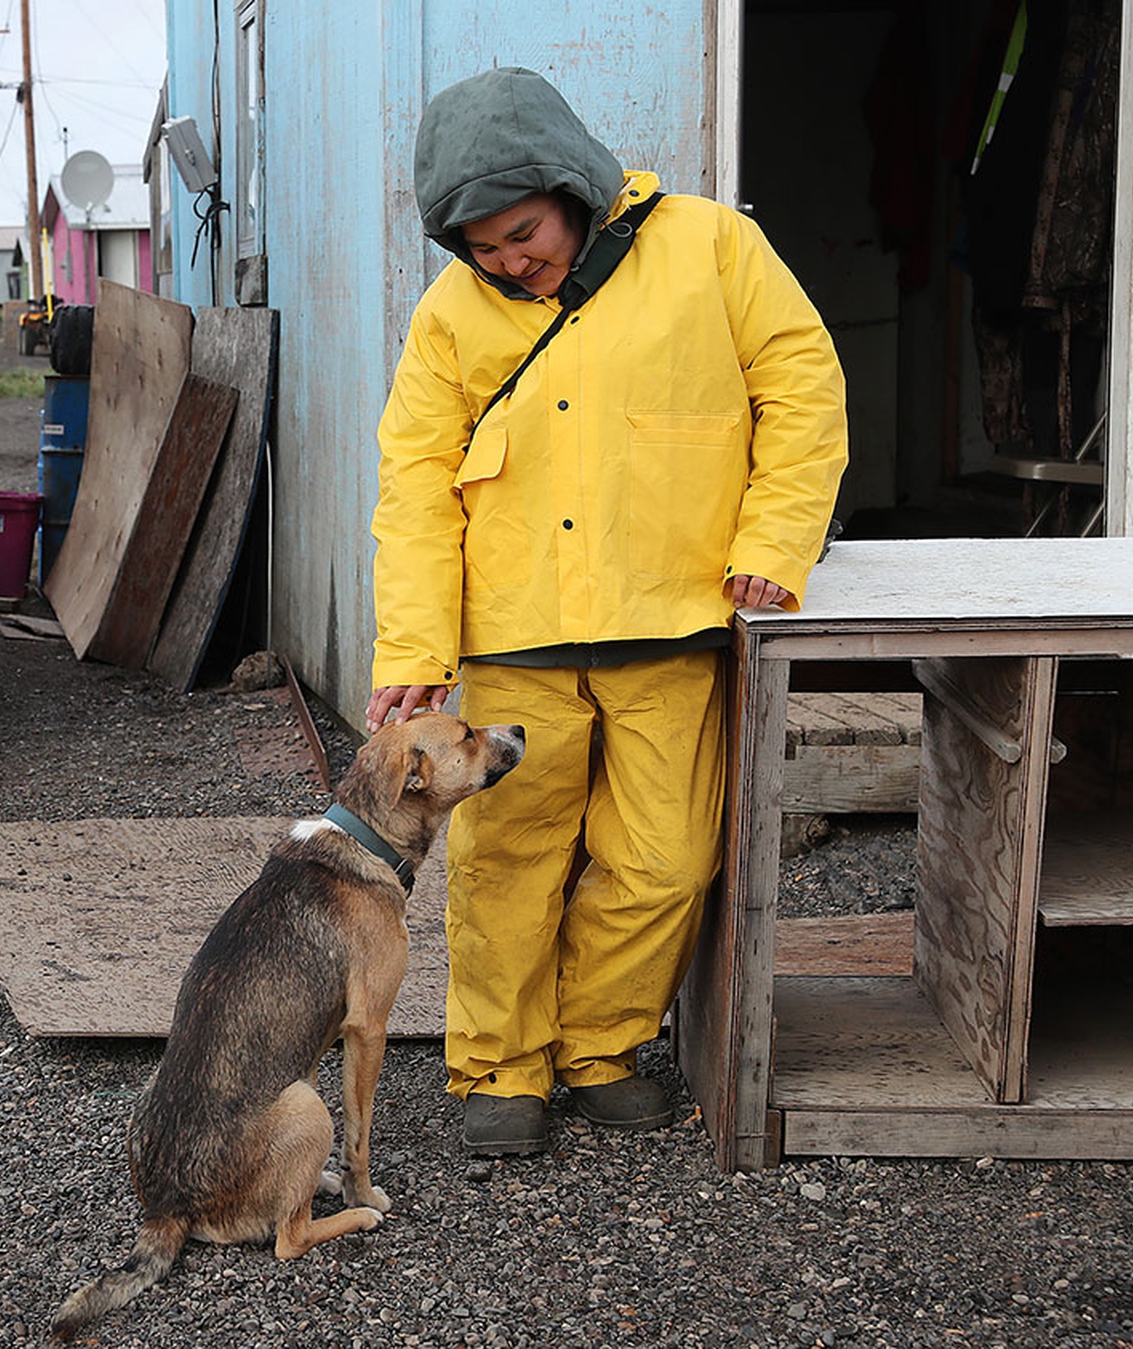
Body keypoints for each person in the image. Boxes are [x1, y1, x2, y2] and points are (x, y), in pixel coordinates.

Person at [366, 67, 847, 1155]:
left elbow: (803, 386)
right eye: (482, 246)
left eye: (522, 231)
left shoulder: (713, 248)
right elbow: (415, 481)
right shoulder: (450, 316)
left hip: (672, 622)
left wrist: (773, 544)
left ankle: (600, 1045)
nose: (508, 260)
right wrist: (413, 645)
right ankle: (501, 1067)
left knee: (669, 856)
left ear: (573, 183)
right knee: (507, 861)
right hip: (516, 633)